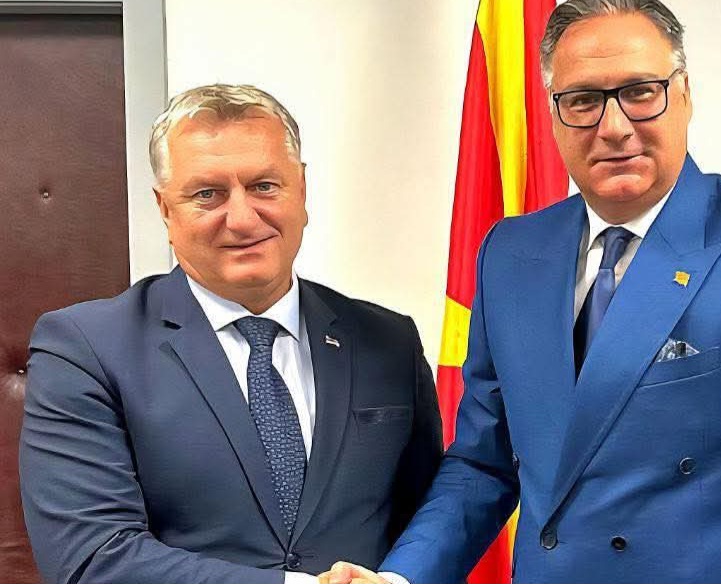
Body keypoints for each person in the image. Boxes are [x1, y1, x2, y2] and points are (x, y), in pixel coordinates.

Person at [323, 1, 721, 583]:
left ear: (685, 94)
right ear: (553, 113)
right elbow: (483, 464)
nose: (614, 127)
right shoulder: (510, 253)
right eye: (583, 101)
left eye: (640, 92)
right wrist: (400, 578)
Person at [19, 84, 442, 584]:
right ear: (165, 209)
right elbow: (91, 558)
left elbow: (425, 521)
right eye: (207, 194)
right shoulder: (85, 349)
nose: (242, 219)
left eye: (264, 186)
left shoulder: (388, 341)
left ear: (301, 191)